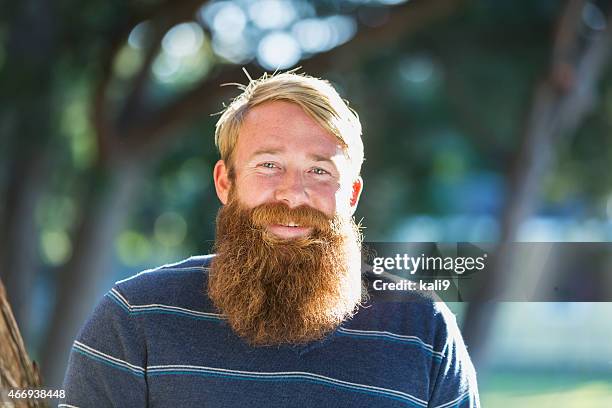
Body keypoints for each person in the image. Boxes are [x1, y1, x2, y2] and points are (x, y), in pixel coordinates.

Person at [61, 72, 480, 407]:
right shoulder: (136, 320)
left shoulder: (423, 329)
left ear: (351, 195)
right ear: (226, 183)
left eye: (319, 171)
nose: (293, 194)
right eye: (268, 165)